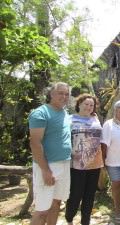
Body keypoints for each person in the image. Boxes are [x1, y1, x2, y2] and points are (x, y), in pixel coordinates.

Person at [29, 82, 71, 225]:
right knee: (42, 210)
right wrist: (45, 170)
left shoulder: (65, 113)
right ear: (51, 94)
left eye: (67, 94)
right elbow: (35, 143)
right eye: (60, 93)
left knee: (56, 204)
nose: (64, 96)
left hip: (64, 165)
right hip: (47, 166)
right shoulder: (40, 113)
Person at [65, 94, 104, 225]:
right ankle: (69, 218)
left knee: (90, 195)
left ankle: (85, 221)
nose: (88, 107)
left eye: (91, 105)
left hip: (95, 163)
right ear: (79, 104)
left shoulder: (95, 119)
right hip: (77, 164)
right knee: (76, 194)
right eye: (86, 104)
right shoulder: (69, 119)